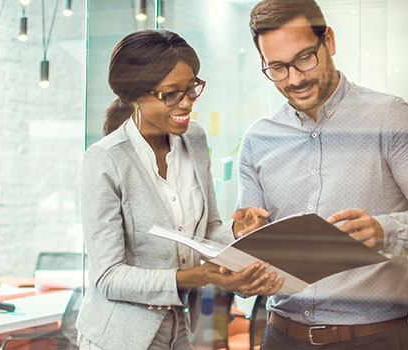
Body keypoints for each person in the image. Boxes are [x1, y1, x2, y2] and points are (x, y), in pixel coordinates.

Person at [239, 1, 408, 349]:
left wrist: (384, 231)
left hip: (371, 338)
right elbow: (250, 238)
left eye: (304, 59)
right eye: (278, 68)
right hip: (280, 335)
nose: (295, 79)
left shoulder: (391, 117)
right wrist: (245, 235)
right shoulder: (259, 138)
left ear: (328, 41)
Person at [76, 29, 283, 350]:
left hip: (182, 326)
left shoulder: (195, 140)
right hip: (120, 337)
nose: (187, 103)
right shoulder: (104, 160)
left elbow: (208, 229)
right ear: (136, 94)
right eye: (171, 94)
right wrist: (202, 276)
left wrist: (238, 232)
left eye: (192, 89)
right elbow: (108, 277)